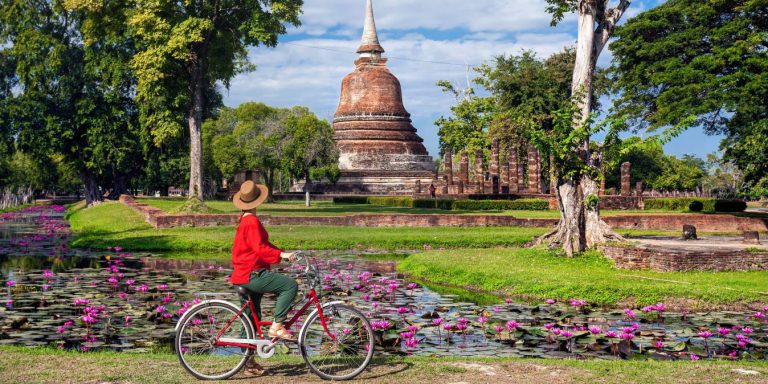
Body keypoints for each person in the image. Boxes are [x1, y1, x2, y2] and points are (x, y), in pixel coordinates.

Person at [230, 181, 298, 375]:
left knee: (251, 318)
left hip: (243, 274)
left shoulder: (244, 219)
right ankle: (277, 326)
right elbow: (260, 248)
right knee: (290, 286)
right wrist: (281, 256)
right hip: (252, 274)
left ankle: (248, 363)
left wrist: (281, 253)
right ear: (256, 201)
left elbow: (263, 245)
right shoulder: (251, 221)